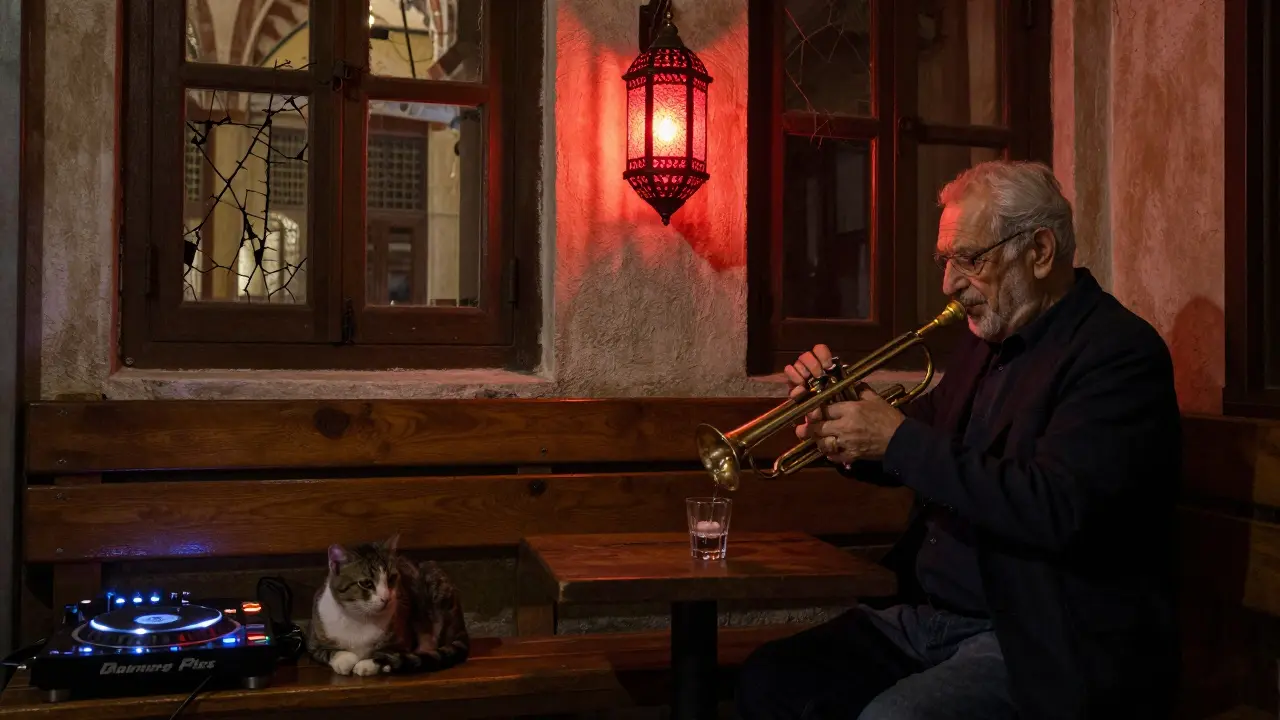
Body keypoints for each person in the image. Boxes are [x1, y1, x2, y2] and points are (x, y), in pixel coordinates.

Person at [734, 160, 1182, 720]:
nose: (949, 284)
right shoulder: (986, 338)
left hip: (1037, 636)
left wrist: (896, 439)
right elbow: (925, 436)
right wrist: (842, 420)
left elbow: (1055, 505)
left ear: (1040, 251)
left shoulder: (1117, 354)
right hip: (929, 617)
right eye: (945, 261)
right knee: (770, 679)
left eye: (969, 259)